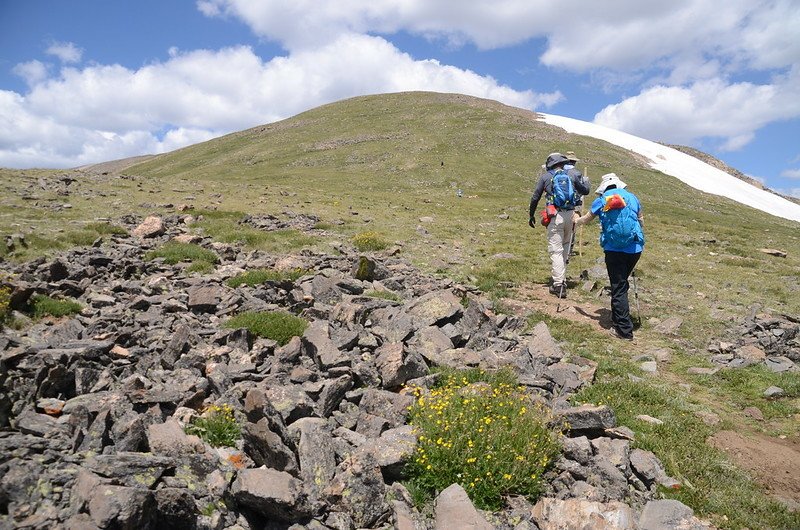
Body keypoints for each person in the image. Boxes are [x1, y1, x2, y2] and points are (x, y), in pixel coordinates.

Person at [574, 173, 644, 340]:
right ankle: (617, 318)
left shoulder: (602, 200)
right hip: (634, 249)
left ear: (604, 187)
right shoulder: (632, 198)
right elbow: (641, 221)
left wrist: (576, 219)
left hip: (613, 249)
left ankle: (624, 330)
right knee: (621, 283)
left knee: (618, 286)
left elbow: (586, 219)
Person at [529, 152, 590, 298]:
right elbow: (585, 191)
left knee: (555, 250)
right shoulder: (572, 175)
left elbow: (535, 196)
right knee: (565, 247)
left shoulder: (546, 177)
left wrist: (531, 215)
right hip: (571, 215)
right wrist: (586, 181)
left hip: (555, 216)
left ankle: (558, 284)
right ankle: (561, 278)